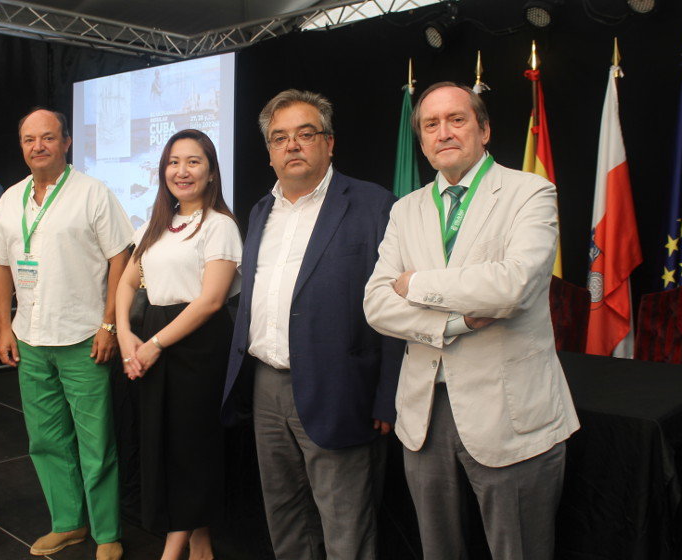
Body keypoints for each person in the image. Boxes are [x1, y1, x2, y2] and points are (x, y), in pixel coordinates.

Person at [363, 82, 580, 560]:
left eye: (456, 119)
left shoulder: (531, 192)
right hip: (423, 413)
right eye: (431, 124)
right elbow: (376, 304)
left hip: (510, 414)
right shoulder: (405, 210)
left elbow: (512, 286)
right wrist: (455, 321)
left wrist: (414, 283)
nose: (444, 132)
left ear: (484, 128)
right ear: (420, 140)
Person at [221, 89, 401, 560]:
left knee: (346, 525)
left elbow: (397, 309)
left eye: (306, 133)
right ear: (269, 151)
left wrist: (387, 395)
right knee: (285, 516)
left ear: (330, 142)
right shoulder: (262, 211)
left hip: (340, 387)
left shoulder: (373, 204)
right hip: (265, 386)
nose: (292, 145)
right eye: (280, 138)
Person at [0, 108, 132, 560]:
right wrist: (5, 326)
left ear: (66, 142)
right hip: (30, 338)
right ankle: (68, 524)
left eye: (47, 137)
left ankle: (107, 533)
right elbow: (0, 264)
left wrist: (109, 324)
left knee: (95, 443)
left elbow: (120, 260)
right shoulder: (10, 199)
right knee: (45, 440)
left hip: (84, 338)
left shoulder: (93, 193)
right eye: (29, 139)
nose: (38, 146)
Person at [116, 129, 241, 560]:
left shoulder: (220, 225)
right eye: (173, 162)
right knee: (165, 446)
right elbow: (127, 282)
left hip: (198, 347)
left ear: (210, 172)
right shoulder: (154, 225)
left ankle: (171, 552)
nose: (181, 171)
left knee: (192, 449)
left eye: (193, 161)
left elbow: (210, 301)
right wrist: (125, 333)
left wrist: (152, 345)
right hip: (153, 337)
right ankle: (202, 547)